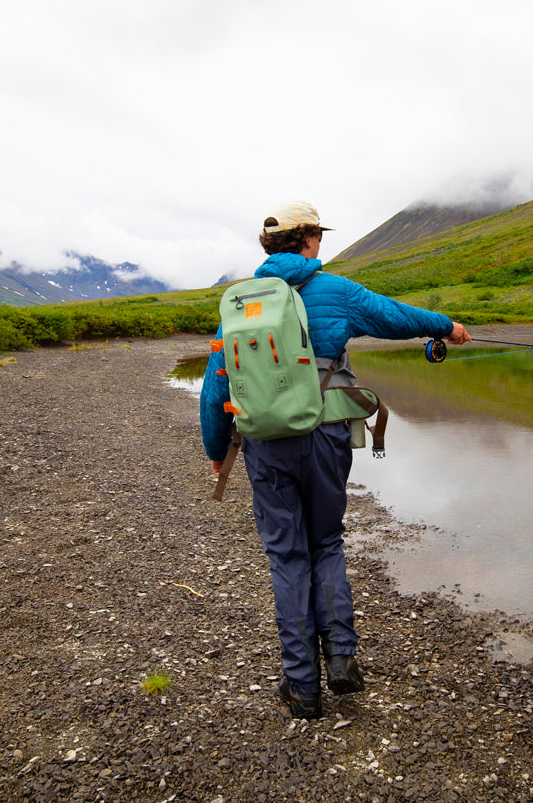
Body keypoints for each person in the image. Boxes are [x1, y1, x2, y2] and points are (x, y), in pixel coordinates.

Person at [200, 201, 471, 719]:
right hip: (325, 436)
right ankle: (342, 660)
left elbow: (216, 391)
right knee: (326, 541)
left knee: (287, 555)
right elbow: (396, 317)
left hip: (264, 444)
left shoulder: (239, 305)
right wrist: (447, 327)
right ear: (307, 241)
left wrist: (217, 454)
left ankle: (302, 688)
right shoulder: (336, 290)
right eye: (317, 236)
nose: (320, 244)